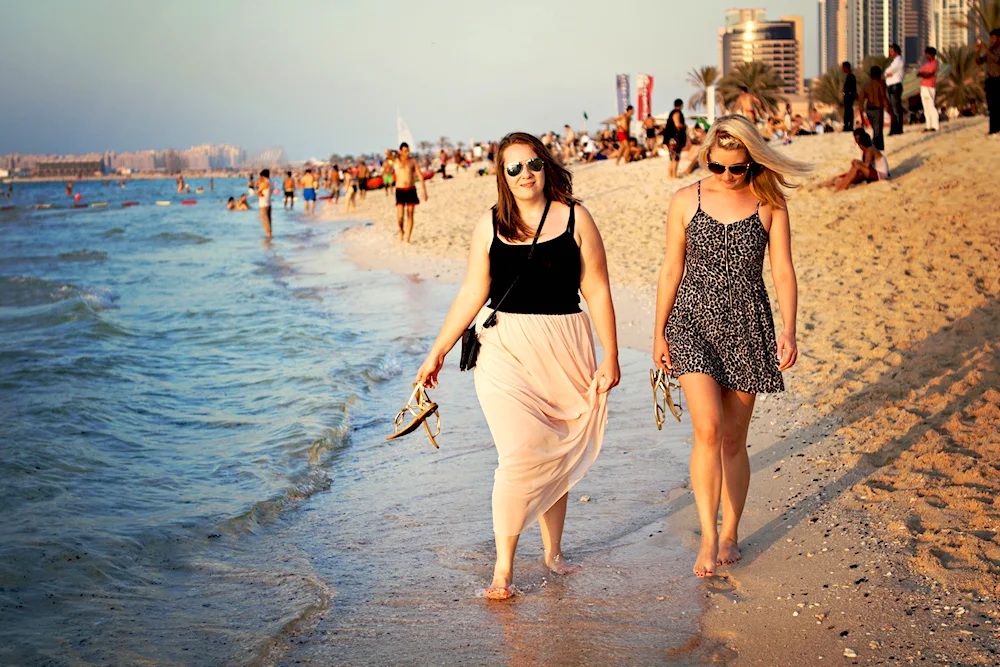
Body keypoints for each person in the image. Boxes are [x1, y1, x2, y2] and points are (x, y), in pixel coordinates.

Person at [414, 131, 619, 600]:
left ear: (546, 166)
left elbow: (599, 289)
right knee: (519, 455)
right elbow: (472, 291)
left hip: (566, 347)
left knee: (556, 448)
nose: (525, 174)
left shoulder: (576, 218)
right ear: (502, 177)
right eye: (514, 168)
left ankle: (552, 552)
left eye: (533, 164)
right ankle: (503, 570)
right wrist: (437, 351)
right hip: (505, 349)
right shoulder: (489, 225)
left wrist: (610, 353)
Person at [652, 115, 808, 578]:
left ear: (752, 162)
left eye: (736, 168)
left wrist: (789, 328)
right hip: (691, 321)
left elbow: (782, 269)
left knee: (734, 440)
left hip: (747, 325)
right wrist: (659, 331)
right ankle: (706, 535)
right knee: (708, 429)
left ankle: (730, 532)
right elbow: (670, 269)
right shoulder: (685, 200)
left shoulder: (770, 202)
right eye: (716, 166)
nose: (725, 176)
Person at [823, 128, 890, 191]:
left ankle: (842, 186)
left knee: (856, 166)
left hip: (880, 175)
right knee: (854, 169)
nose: (857, 142)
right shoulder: (869, 148)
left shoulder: (869, 150)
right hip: (877, 172)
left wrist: (857, 162)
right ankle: (840, 184)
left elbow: (866, 165)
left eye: (858, 141)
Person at [394, 142, 429, 242]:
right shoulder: (397, 161)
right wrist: (395, 153)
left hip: (411, 189)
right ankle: (401, 230)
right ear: (400, 151)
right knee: (400, 216)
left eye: (408, 150)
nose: (407, 153)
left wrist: (424, 191)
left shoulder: (412, 161)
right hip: (400, 190)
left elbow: (420, 175)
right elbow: (387, 153)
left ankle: (408, 238)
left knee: (410, 214)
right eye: (405, 151)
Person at [859, 65, 891, 151]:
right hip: (877, 109)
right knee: (878, 132)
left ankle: (875, 149)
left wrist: (862, 117)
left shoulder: (866, 85)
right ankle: (876, 151)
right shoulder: (880, 83)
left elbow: (861, 101)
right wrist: (890, 111)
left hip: (869, 109)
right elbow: (884, 97)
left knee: (876, 130)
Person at [976, 28, 1000, 137]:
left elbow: (997, 59)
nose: (991, 40)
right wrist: (978, 51)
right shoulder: (991, 49)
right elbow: (979, 62)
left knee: (997, 105)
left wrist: (986, 49)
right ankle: (993, 129)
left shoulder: (997, 50)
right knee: (991, 106)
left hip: (998, 79)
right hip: (990, 80)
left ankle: (996, 129)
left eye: (993, 37)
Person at [918, 47, 940, 132]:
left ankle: (935, 125)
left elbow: (928, 74)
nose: (926, 56)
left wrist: (923, 74)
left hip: (930, 86)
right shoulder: (926, 64)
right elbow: (919, 73)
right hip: (923, 86)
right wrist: (923, 74)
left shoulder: (934, 64)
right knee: (926, 107)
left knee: (931, 107)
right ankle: (928, 125)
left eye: (927, 54)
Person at [665, 99, 687, 180]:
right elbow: (677, 124)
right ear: (681, 105)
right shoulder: (677, 112)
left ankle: (670, 175)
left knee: (672, 158)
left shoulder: (672, 112)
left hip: (671, 138)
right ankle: (674, 175)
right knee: (676, 158)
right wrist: (684, 126)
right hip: (675, 138)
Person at [886, 44, 905, 136]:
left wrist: (888, 73)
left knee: (896, 108)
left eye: (891, 51)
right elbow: (887, 72)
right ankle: (895, 127)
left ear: (896, 51)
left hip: (895, 86)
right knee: (893, 108)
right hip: (891, 86)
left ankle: (898, 128)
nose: (890, 53)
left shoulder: (899, 60)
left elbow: (889, 71)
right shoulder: (894, 61)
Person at [256, 169, 272, 239]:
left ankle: (269, 238)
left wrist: (260, 193)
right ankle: (270, 236)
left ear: (262, 176)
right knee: (269, 220)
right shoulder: (271, 183)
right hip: (269, 203)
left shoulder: (264, 183)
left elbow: (258, 193)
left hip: (263, 204)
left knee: (265, 221)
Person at [842, 62, 858, 132]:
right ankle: (847, 126)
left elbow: (853, 87)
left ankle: (849, 126)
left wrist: (852, 95)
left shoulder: (851, 76)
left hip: (849, 96)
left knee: (848, 111)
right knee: (847, 111)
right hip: (847, 96)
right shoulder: (849, 76)